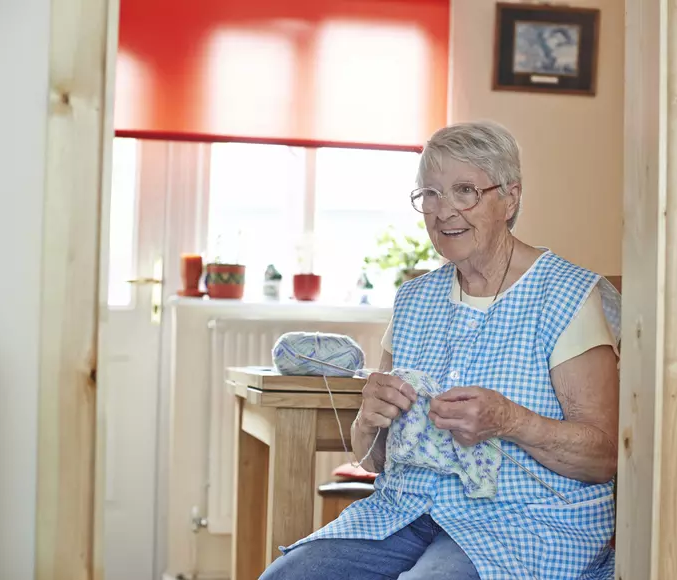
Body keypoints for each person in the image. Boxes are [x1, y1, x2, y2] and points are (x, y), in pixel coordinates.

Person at [261, 120, 620, 579]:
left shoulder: (566, 294)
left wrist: (511, 421)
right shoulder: (414, 299)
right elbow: (373, 458)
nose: (443, 210)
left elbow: (603, 455)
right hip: (405, 514)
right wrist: (369, 418)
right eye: (429, 194)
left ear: (510, 197)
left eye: (464, 191)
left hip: (523, 520)